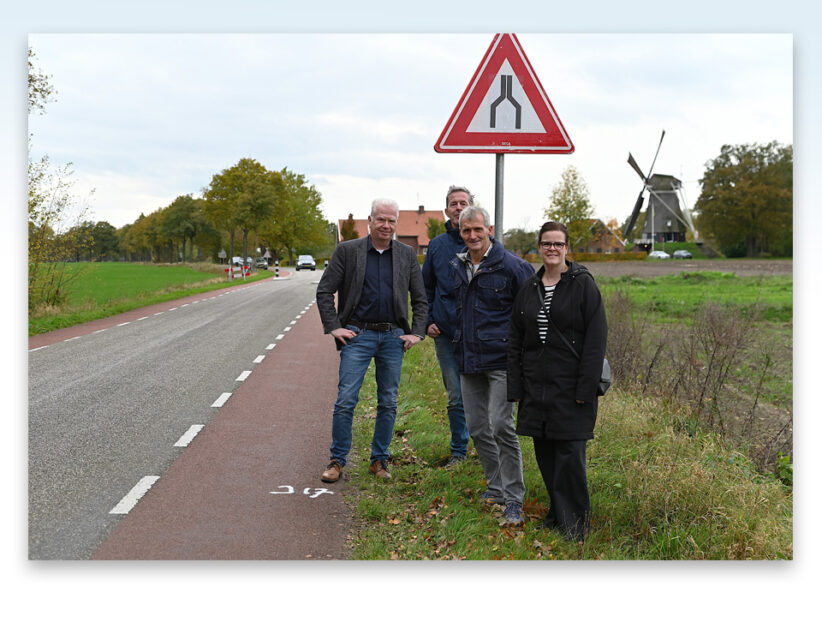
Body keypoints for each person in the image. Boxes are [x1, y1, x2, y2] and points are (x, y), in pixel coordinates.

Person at [507, 221, 607, 541]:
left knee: (570, 459)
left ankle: (576, 526)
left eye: (558, 244)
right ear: (539, 247)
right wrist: (516, 388)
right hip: (537, 388)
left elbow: (596, 339)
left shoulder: (582, 285)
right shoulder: (529, 288)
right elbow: (516, 341)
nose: (552, 249)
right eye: (547, 244)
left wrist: (585, 388)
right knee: (546, 456)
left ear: (567, 249)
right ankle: (558, 515)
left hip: (571, 387)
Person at [316, 198, 428, 483]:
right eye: (381, 220)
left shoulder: (406, 254)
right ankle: (337, 461)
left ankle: (379, 460)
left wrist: (416, 332)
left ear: (396, 223)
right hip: (358, 334)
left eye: (392, 220)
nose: (386, 225)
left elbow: (420, 298)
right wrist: (334, 327)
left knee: (388, 401)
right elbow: (324, 291)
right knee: (345, 400)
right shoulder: (348, 251)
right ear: (370, 220)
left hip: (393, 337)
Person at [452, 205, 534, 526]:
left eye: (477, 229)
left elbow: (530, 313)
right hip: (468, 359)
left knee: (502, 426)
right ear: (460, 233)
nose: (472, 235)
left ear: (490, 228)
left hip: (502, 361)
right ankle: (496, 486)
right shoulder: (457, 266)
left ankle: (514, 499)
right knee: (477, 427)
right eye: (466, 231)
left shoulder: (514, 267)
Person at [421, 185, 473, 467]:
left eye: (463, 202)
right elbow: (424, 286)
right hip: (445, 333)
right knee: (455, 395)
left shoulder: (484, 241)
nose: (458, 207)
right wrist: (428, 320)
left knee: (482, 395)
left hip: (479, 335)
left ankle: (487, 447)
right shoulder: (437, 246)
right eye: (453, 203)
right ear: (446, 210)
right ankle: (459, 451)